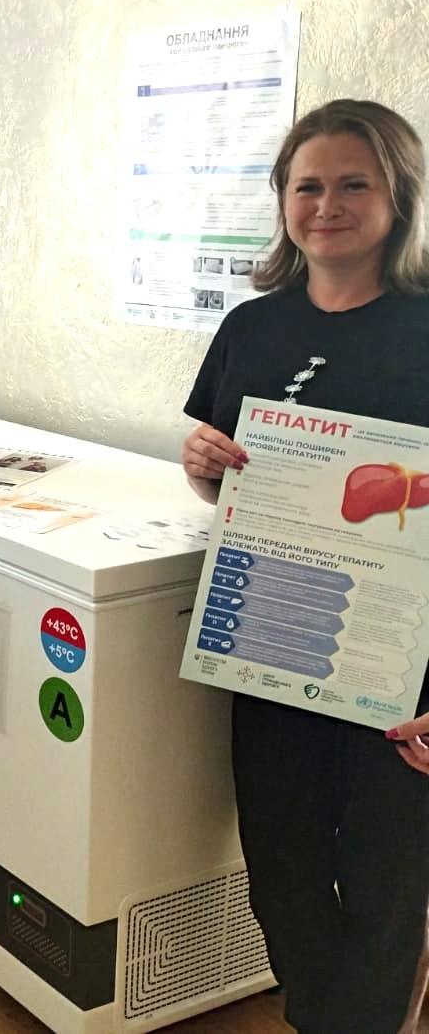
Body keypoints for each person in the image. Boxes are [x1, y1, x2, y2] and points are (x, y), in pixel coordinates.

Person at [180, 98, 429, 1034]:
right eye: (307, 186)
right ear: (282, 199)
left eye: (353, 184)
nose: (327, 206)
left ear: (399, 197)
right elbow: (225, 485)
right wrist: (203, 466)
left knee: (384, 882)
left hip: (403, 664)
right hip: (275, 638)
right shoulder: (253, 328)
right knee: (279, 870)